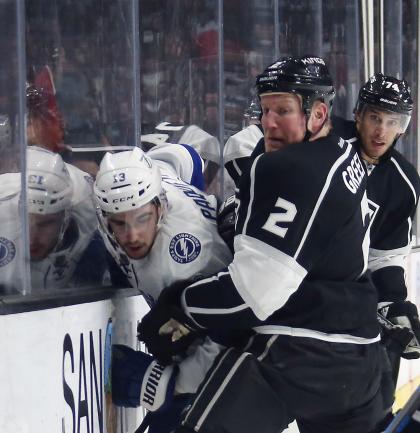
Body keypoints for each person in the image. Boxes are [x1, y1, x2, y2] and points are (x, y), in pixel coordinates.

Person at [138, 55, 384, 433]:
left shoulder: (288, 168)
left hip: (297, 353)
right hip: (361, 357)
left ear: (317, 114)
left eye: (283, 111)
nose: (268, 123)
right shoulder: (344, 151)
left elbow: (253, 294)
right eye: (265, 109)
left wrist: (181, 306)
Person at [93, 146, 232, 433]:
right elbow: (185, 157)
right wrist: (197, 192)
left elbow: (235, 332)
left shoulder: (185, 259)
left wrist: (170, 384)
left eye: (142, 219)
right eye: (119, 223)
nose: (132, 235)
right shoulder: (152, 179)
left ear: (161, 206)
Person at [331, 73, 420, 430]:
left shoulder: (403, 183)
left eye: (392, 121)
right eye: (374, 117)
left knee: (390, 339)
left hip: (346, 293)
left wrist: (394, 301)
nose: (381, 131)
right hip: (296, 282)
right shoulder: (328, 142)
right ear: (358, 115)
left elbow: (385, 256)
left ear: (403, 127)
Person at [0, 146, 105, 293]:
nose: (32, 236)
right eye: (25, 220)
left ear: (65, 219)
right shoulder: (3, 212)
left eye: (45, 224)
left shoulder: (88, 208)